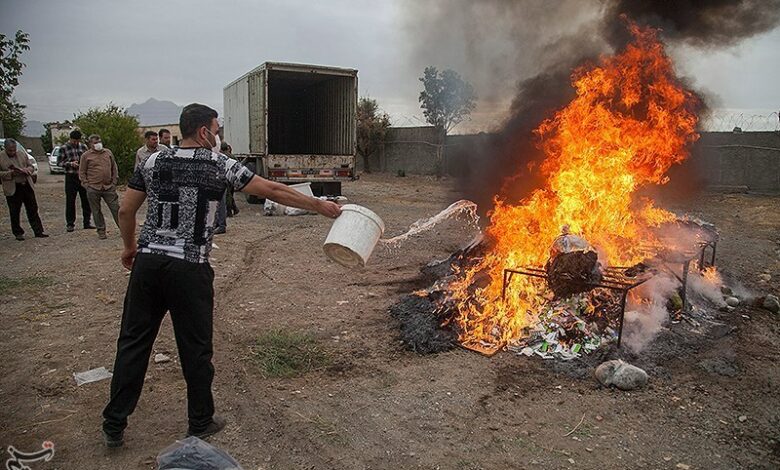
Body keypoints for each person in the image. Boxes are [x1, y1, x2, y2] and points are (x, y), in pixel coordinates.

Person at [102, 103, 341, 448]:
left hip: (149, 265)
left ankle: (114, 423)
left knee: (133, 342)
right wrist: (321, 206)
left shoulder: (151, 162)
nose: (218, 135)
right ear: (203, 132)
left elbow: (126, 209)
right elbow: (273, 190)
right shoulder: (219, 165)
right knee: (195, 347)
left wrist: (129, 248)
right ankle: (200, 421)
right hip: (190, 269)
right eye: (216, 129)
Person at [0, 139, 48, 240]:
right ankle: (18, 232)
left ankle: (38, 231)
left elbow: (30, 165)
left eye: (14, 150)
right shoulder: (1, 157)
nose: (12, 152)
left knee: (33, 208)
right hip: (13, 187)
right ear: (5, 149)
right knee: (14, 211)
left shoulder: (22, 154)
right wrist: (11, 173)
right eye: (10, 151)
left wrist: (28, 170)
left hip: (26, 184)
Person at [79, 134, 120, 239]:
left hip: (108, 187)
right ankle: (101, 231)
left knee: (116, 209)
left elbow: (114, 168)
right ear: (90, 144)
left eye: (99, 141)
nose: (98, 144)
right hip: (93, 188)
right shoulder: (86, 156)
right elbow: (82, 172)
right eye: (95, 142)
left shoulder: (108, 153)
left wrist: (114, 182)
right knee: (96, 211)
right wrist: (87, 185)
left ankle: (124, 229)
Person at [58, 130, 94, 232]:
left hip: (82, 176)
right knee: (70, 200)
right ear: (70, 139)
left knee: (86, 200)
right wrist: (69, 163)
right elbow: (59, 163)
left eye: (77, 141)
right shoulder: (64, 148)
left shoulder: (83, 147)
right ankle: (70, 224)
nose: (76, 143)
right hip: (70, 176)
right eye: (74, 141)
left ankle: (87, 222)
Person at [220, 142, 239, 217]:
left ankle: (229, 211)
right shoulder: (232, 156)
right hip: (232, 177)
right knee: (230, 194)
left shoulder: (222, 156)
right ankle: (234, 209)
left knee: (228, 195)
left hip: (226, 177)